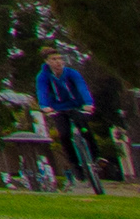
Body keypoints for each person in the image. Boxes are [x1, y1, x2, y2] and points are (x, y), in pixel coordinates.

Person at [35, 50, 106, 194]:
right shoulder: (43, 76)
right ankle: (75, 165)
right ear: (47, 62)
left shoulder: (71, 73)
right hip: (58, 109)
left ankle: (96, 158)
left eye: (60, 59)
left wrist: (88, 103)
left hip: (76, 106)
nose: (58, 62)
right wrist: (44, 106)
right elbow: (42, 91)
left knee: (85, 130)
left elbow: (82, 87)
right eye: (54, 59)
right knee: (64, 135)